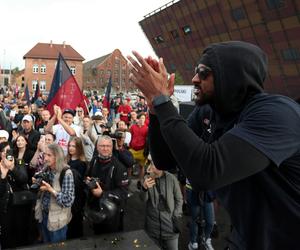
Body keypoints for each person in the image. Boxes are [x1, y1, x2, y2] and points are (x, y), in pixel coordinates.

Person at [127, 41, 300, 249]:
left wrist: (162, 100)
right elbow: (165, 159)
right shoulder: (208, 112)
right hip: (247, 236)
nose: (194, 79)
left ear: (232, 76)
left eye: (204, 73)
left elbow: (207, 172)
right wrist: (155, 109)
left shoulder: (277, 114)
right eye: (195, 71)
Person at [86, 135, 129, 234]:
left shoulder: (119, 167)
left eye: (108, 146)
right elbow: (87, 176)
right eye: (102, 146)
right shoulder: (94, 160)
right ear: (97, 147)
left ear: (112, 147)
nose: (105, 148)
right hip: (95, 208)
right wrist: (88, 181)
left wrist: (103, 194)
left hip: (112, 213)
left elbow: (123, 193)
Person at [34, 143, 75, 243]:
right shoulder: (47, 168)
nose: (46, 158)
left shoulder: (66, 173)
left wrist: (51, 190)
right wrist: (36, 181)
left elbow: (68, 200)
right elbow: (38, 177)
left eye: (49, 155)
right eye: (45, 154)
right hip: (44, 216)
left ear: (57, 157)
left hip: (58, 221)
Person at [140, 155, 183, 250]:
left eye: (153, 164)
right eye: (150, 163)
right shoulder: (147, 179)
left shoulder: (172, 179)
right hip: (152, 229)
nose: (150, 167)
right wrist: (144, 188)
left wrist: (175, 215)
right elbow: (143, 199)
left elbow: (179, 199)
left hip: (170, 229)